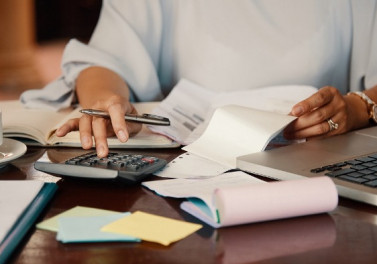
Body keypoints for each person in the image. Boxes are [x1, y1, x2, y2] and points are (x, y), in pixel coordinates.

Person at [21, 0, 377, 157]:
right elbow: (104, 60)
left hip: (317, 164)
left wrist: (358, 107)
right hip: (190, 161)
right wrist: (105, 98)